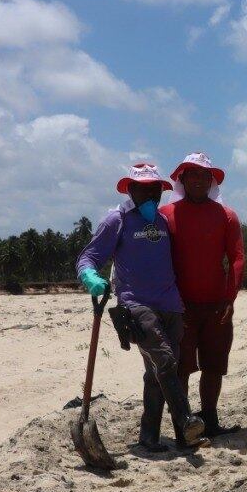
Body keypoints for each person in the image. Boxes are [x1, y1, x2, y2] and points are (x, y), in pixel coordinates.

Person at [76, 163, 206, 452]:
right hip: (136, 305)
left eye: (154, 189)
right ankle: (186, 422)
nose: (149, 194)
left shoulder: (161, 222)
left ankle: (149, 436)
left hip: (171, 305)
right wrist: (91, 277)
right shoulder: (117, 220)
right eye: (143, 188)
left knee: (156, 373)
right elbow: (88, 257)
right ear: (130, 189)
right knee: (166, 360)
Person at [160, 152, 244, 438]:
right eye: (192, 175)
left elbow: (237, 258)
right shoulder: (166, 216)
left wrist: (230, 299)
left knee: (214, 366)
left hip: (217, 305)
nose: (198, 180)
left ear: (211, 181)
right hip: (178, 307)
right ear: (182, 179)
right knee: (180, 368)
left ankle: (210, 418)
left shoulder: (226, 216)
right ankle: (182, 422)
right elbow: (156, 261)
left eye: (203, 176)